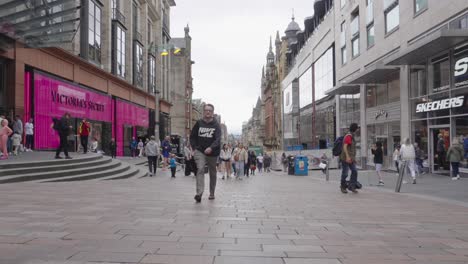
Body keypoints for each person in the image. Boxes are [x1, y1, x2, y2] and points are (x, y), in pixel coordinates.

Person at [190, 103, 222, 203]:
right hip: (200, 151)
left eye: (210, 110)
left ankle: (212, 193)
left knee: (212, 173)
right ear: (204, 112)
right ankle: (199, 193)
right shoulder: (199, 123)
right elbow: (192, 136)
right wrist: (194, 148)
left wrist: (211, 148)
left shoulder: (216, 125)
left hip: (212, 152)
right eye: (206, 110)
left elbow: (218, 139)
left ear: (212, 113)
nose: (208, 112)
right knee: (200, 169)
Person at [339, 123, 360, 193]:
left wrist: (353, 158)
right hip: (345, 158)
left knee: (354, 171)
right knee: (345, 173)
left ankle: (351, 186)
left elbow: (352, 149)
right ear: (355, 129)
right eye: (357, 128)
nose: (358, 130)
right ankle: (343, 186)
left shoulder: (352, 136)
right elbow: (345, 147)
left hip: (351, 158)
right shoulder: (349, 136)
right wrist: (347, 157)